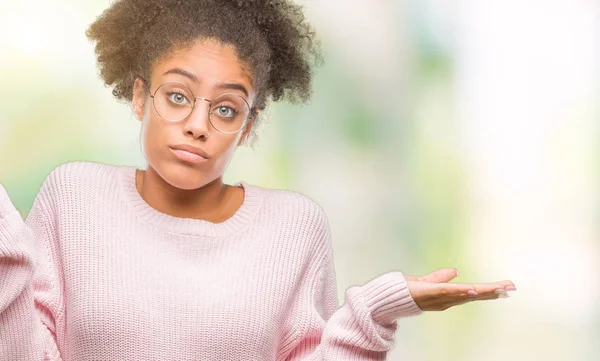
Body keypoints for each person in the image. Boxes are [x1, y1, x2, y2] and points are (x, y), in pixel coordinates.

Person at [0, 0, 516, 360]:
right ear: (140, 96)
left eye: (225, 109)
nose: (198, 125)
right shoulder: (74, 198)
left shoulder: (294, 226)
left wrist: (375, 309)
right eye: (177, 96)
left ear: (246, 126)